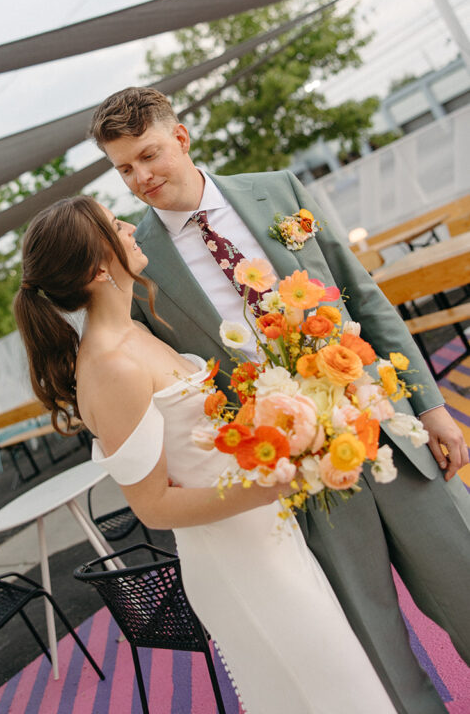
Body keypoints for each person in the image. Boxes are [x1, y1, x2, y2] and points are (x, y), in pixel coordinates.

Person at [88, 85, 470, 714]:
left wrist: (430, 407)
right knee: (375, 642)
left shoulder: (279, 191)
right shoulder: (137, 263)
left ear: (181, 137)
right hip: (294, 474)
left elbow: (362, 295)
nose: (141, 177)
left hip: (387, 429)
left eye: (150, 155)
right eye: (124, 168)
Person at [14, 195, 398, 714]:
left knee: (340, 691)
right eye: (113, 225)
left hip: (267, 537)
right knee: (333, 696)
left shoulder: (136, 335)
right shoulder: (110, 366)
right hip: (236, 560)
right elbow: (151, 506)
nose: (129, 227)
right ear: (96, 266)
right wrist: (276, 483)